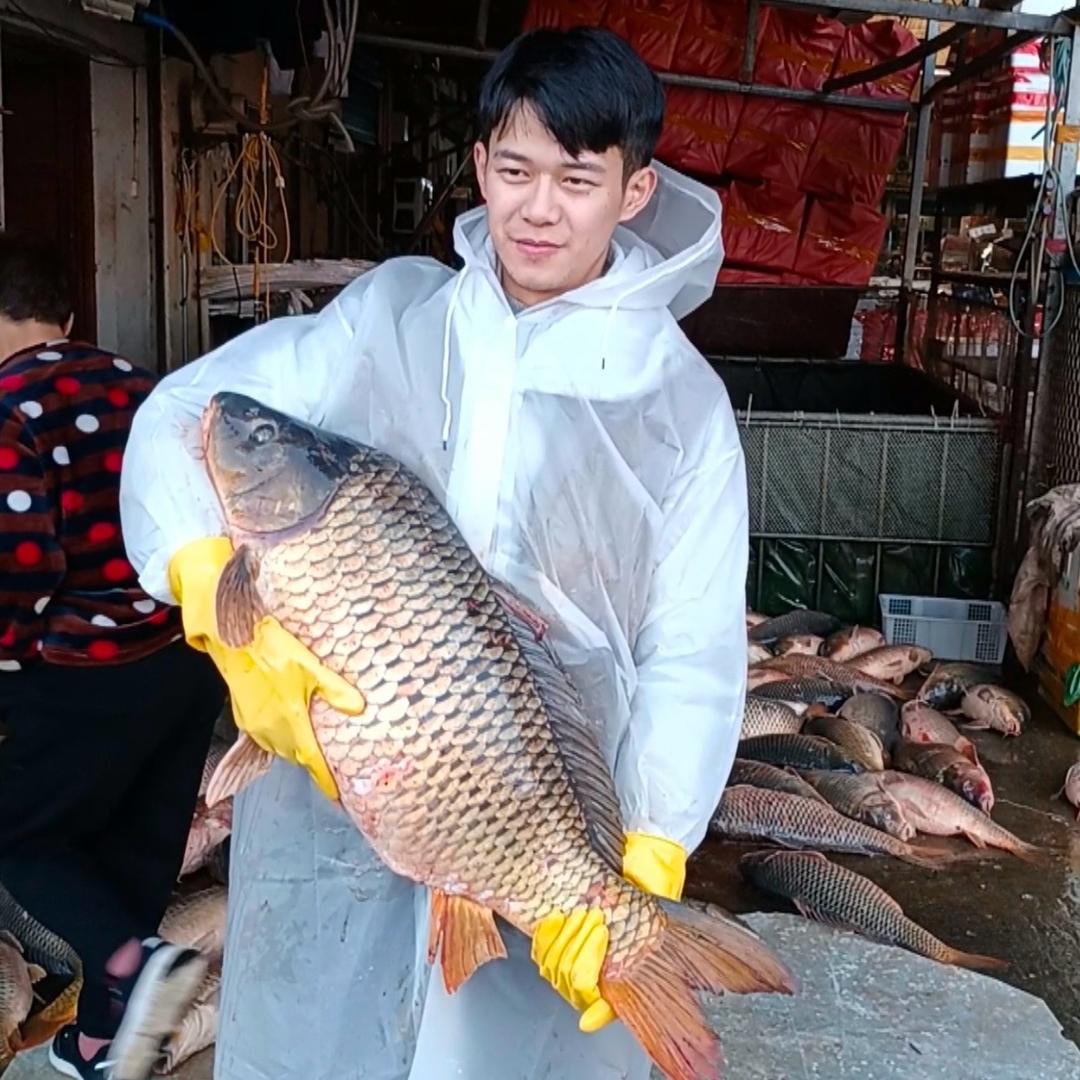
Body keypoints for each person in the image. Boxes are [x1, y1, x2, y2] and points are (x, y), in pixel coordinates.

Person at [120, 26, 748, 1080]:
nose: (538, 208)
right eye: (514, 171)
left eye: (576, 180)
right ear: (479, 169)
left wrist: (651, 841)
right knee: (318, 1043)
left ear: (635, 191)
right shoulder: (392, 316)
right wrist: (202, 588)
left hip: (535, 811)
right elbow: (188, 414)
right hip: (336, 799)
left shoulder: (682, 405)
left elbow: (691, 650)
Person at [0, 237, 225, 1080]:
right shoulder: (149, 387)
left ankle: (134, 962)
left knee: (23, 838)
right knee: (138, 846)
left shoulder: (9, 404)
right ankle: (102, 1044)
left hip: (86, 671)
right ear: (65, 318)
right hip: (187, 657)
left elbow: (23, 558)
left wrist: (12, 656)